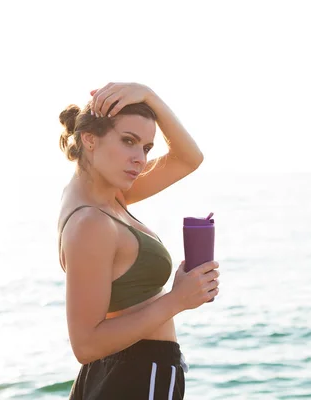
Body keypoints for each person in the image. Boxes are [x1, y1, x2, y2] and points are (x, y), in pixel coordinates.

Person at [57, 82, 220, 399]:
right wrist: (178, 300)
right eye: (128, 141)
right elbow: (85, 344)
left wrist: (149, 96)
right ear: (89, 140)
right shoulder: (91, 221)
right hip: (138, 375)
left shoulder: (109, 196)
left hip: (122, 372)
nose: (140, 159)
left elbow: (188, 158)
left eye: (146, 148)